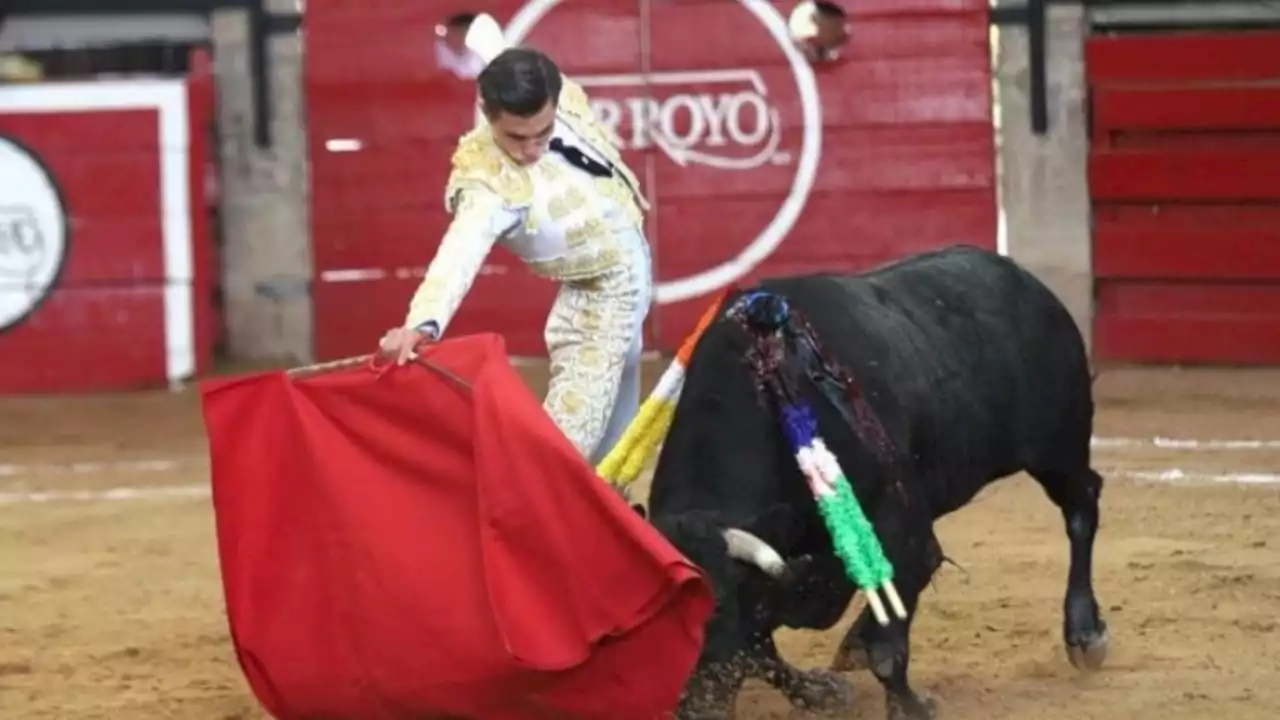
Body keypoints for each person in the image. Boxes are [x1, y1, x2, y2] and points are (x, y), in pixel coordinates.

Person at [378, 47, 653, 466]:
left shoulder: (560, 95)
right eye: (516, 138)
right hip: (598, 296)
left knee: (620, 423)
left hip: (633, 268)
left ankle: (607, 510)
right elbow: (461, 249)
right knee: (564, 448)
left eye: (542, 134)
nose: (530, 150)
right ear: (487, 115)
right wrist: (421, 323)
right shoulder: (486, 184)